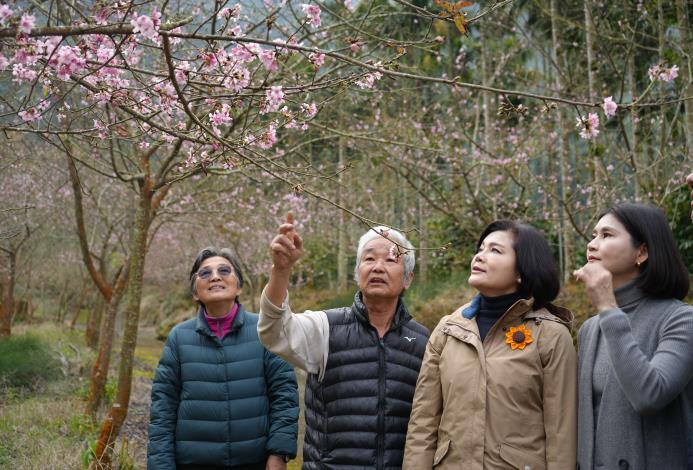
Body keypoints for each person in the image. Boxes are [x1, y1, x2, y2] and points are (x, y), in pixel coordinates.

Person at [257, 214, 430, 469]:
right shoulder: (326, 327)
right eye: (369, 258)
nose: (378, 267)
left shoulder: (425, 342)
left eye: (391, 259)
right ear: (357, 273)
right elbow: (274, 332)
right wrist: (281, 271)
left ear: (408, 278)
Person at [404, 220, 577, 470]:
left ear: (522, 270)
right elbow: (423, 424)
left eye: (495, 250)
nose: (480, 256)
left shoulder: (549, 334)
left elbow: (562, 434)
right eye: (481, 248)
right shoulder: (449, 330)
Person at [148, 247, 299, 470]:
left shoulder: (265, 330)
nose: (215, 276)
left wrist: (279, 452)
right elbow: (163, 407)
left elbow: (284, 395)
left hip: (254, 462)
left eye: (224, 270)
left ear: (238, 286)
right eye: (205, 273)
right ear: (195, 293)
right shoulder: (179, 337)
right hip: (192, 463)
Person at [573, 203, 693, 470]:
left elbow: (650, 394)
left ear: (642, 252)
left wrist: (606, 305)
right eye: (593, 235)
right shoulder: (590, 329)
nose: (592, 244)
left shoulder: (682, 319)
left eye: (607, 235)